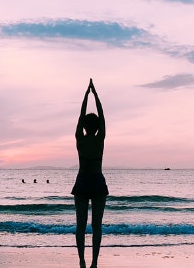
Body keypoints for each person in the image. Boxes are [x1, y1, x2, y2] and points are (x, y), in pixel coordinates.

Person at [71, 78, 108, 268]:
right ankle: (93, 262)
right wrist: (96, 96)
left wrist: (86, 96)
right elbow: (102, 118)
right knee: (96, 227)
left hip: (83, 182)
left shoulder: (80, 139)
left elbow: (80, 117)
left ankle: (83, 261)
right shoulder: (100, 138)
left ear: (84, 127)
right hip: (96, 182)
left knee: (81, 225)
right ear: (96, 127)